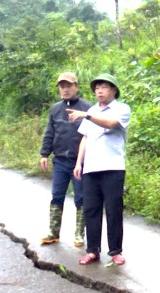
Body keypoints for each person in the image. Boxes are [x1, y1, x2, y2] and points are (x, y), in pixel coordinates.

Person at [70, 73, 131, 266]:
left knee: (113, 209)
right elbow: (85, 137)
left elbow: (112, 124)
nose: (100, 91)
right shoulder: (92, 110)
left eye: (104, 87)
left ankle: (115, 251)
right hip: (91, 168)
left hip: (113, 167)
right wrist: (79, 163)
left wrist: (87, 115)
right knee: (91, 210)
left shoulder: (121, 109)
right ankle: (92, 250)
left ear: (113, 90)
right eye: (97, 88)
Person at [39, 72, 92, 247]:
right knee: (56, 196)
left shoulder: (87, 108)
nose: (65, 89)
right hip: (60, 161)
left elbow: (92, 135)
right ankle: (53, 232)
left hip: (80, 162)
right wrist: (44, 154)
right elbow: (49, 133)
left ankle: (79, 234)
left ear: (76, 86)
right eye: (62, 86)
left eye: (69, 86)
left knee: (81, 198)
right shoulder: (55, 109)